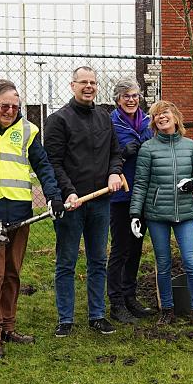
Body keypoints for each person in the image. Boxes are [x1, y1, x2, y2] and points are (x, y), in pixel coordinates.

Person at [0, 80, 64, 359]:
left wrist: (53, 194)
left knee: (13, 273)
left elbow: (43, 165)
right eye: (5, 106)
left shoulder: (27, 130)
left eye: (16, 107)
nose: (10, 111)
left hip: (19, 215)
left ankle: (8, 326)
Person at [45, 66, 123, 337]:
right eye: (83, 82)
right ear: (72, 85)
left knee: (98, 260)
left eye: (93, 82)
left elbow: (115, 152)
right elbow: (53, 162)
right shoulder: (58, 120)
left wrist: (115, 171)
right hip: (72, 204)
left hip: (100, 201)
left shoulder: (104, 118)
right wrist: (68, 192)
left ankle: (97, 315)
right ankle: (65, 318)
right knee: (66, 261)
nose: (88, 86)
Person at [129, 100, 193, 328]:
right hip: (156, 215)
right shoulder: (148, 148)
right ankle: (167, 309)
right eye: (156, 115)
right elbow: (141, 183)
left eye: (165, 113)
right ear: (153, 122)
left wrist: (192, 183)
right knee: (162, 264)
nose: (161, 117)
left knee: (191, 263)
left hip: (184, 214)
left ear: (175, 117)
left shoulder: (190, 146)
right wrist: (135, 213)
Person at [107, 79, 155, 324]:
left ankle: (130, 295)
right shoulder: (111, 124)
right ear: (117, 99)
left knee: (136, 246)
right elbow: (104, 155)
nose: (131, 100)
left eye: (134, 96)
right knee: (120, 248)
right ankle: (116, 301)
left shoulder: (148, 123)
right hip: (120, 196)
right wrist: (122, 155)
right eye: (125, 96)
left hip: (143, 193)